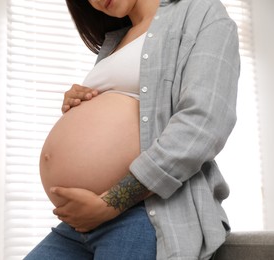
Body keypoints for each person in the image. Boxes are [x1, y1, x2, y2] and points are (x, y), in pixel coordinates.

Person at [25, 0, 240, 259]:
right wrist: (81, 103)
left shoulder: (200, 12)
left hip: (144, 213)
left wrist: (113, 201)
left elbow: (203, 123)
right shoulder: (116, 39)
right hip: (80, 224)